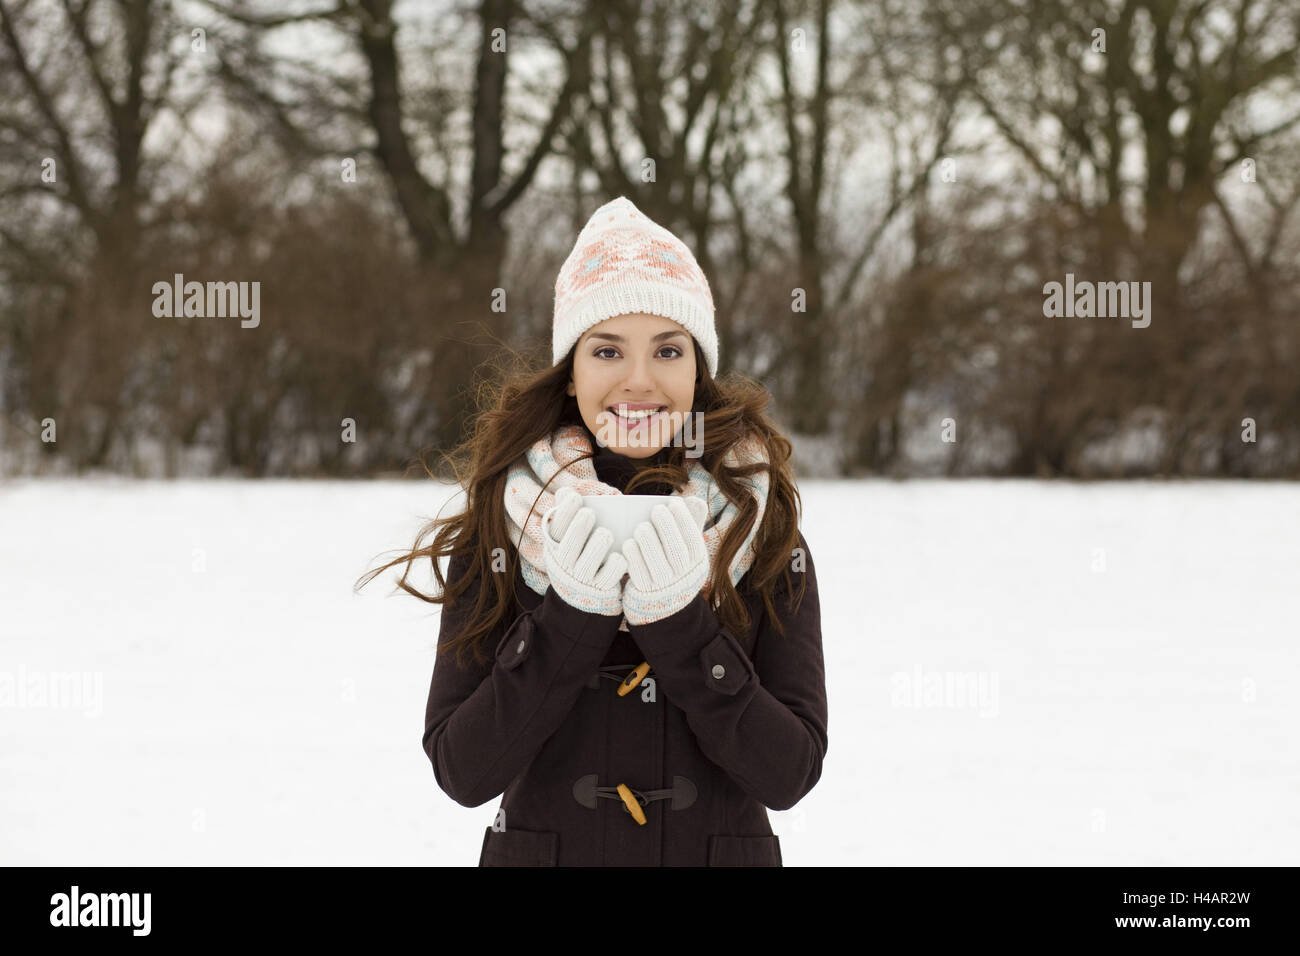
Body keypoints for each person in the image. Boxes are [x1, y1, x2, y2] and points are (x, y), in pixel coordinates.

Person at [364, 195, 827, 866]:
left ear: (698, 370)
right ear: (571, 369)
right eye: (607, 349)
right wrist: (570, 618)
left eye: (668, 350)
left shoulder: (760, 524)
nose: (639, 381)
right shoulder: (504, 521)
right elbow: (463, 770)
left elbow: (789, 773)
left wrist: (681, 627)